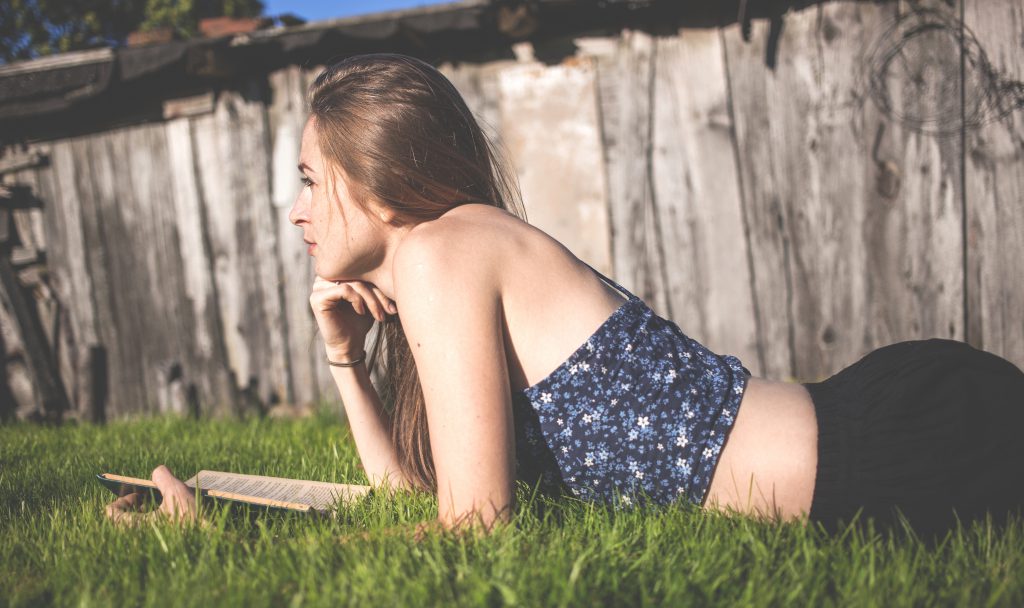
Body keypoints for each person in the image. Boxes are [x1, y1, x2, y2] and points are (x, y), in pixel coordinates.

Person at [106, 53, 1024, 541]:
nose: (297, 209)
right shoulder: (445, 257)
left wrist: (230, 541)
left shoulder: (444, 249)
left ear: (374, 180)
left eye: (311, 178)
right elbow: (418, 501)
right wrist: (344, 357)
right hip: (872, 443)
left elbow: (474, 532)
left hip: (902, 449)